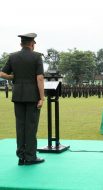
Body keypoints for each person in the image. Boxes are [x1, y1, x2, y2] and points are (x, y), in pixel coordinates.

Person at [0, 33, 45, 165]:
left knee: (20, 126)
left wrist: (13, 77)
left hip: (18, 96)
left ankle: (21, 156)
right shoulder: (37, 56)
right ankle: (30, 157)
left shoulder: (13, 56)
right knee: (31, 126)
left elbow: (2, 73)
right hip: (32, 97)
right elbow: (40, 78)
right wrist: (42, 98)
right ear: (32, 44)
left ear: (21, 44)